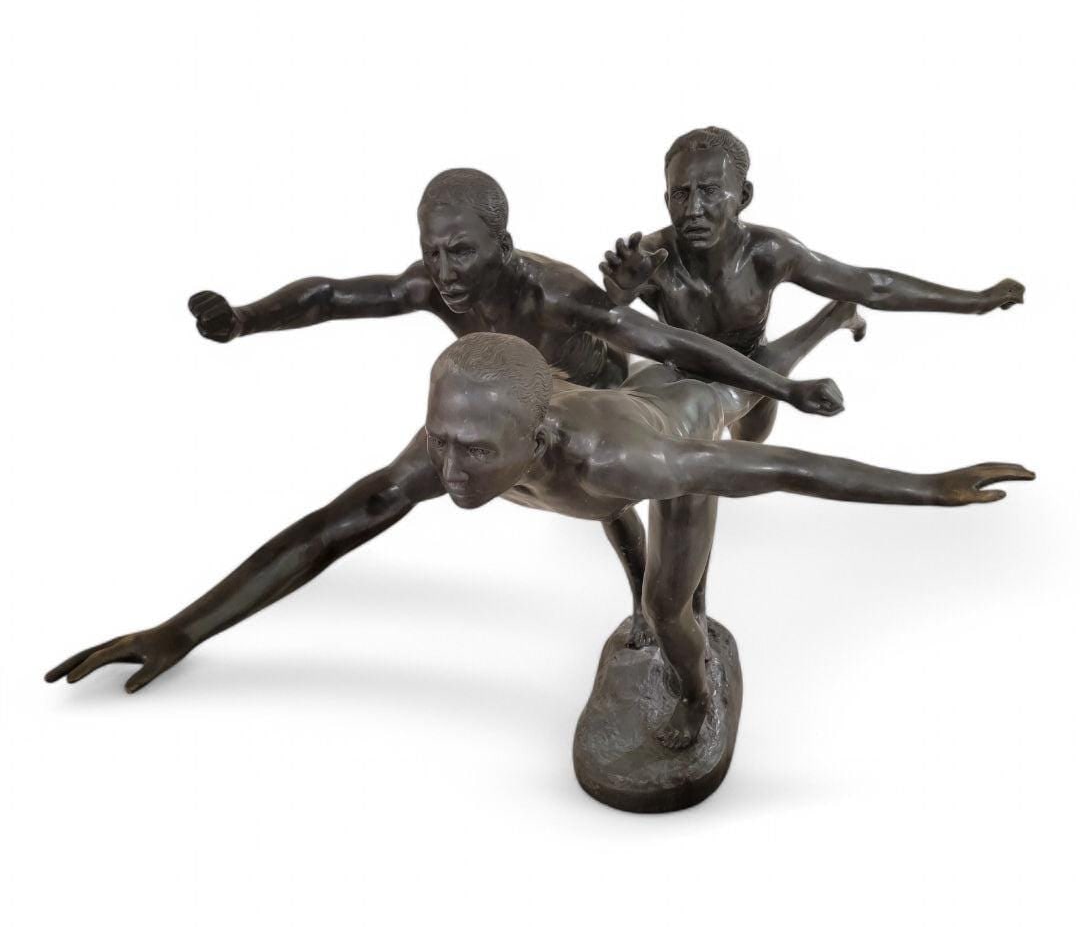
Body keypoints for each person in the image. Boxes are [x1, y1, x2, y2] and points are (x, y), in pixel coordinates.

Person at [46, 333, 1033, 751]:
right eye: (442, 440)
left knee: (670, 610)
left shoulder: (621, 461)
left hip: (685, 438)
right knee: (619, 525)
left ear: (539, 432)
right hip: (626, 413)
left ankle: (697, 702)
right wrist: (179, 631)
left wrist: (929, 488)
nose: (448, 470)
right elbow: (330, 528)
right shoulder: (456, 442)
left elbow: (777, 470)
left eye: (474, 452)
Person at [188, 168, 854, 644]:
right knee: (390, 496)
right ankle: (186, 630)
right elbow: (330, 296)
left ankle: (659, 606)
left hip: (599, 396)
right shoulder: (430, 286)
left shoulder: (554, 295)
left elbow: (674, 344)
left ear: (502, 247)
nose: (445, 271)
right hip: (505, 409)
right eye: (432, 252)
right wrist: (245, 319)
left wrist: (786, 391)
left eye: (461, 252)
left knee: (625, 497)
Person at [600, 126, 1025, 442]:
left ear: (744, 196)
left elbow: (872, 285)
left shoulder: (768, 252)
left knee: (750, 440)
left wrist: (975, 301)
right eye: (680, 193)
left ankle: (836, 313)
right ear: (666, 199)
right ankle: (836, 315)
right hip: (683, 375)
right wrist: (621, 290)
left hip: (756, 369)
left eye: (710, 191)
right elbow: (609, 318)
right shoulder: (651, 258)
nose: (693, 208)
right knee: (690, 435)